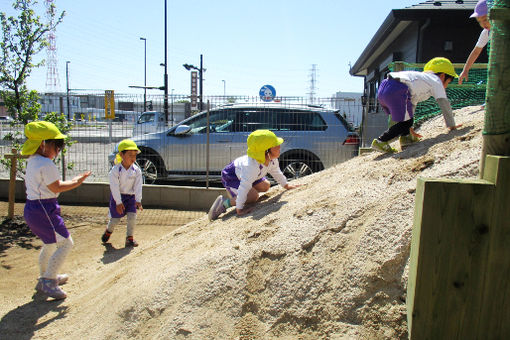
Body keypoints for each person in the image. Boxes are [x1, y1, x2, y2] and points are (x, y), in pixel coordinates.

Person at [22, 121, 91, 299]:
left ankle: (44, 277)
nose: (58, 150)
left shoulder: (33, 161)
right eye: (57, 146)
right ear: (44, 144)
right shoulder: (45, 164)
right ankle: (48, 281)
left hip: (32, 208)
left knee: (49, 244)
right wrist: (77, 181)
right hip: (44, 209)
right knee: (67, 243)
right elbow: (56, 187)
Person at [371, 57, 462, 153]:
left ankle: (406, 138)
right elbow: (444, 103)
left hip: (384, 87)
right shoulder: (436, 81)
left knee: (407, 120)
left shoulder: (421, 79)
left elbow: (411, 105)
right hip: (397, 88)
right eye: (448, 82)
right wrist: (452, 125)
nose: (446, 86)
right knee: (406, 122)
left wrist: (409, 129)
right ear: (443, 76)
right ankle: (381, 140)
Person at [208, 129, 300, 221]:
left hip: (248, 175)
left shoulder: (272, 160)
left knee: (266, 186)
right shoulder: (251, 167)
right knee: (253, 196)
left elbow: (276, 172)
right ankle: (224, 203)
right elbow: (244, 187)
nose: (279, 146)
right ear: (266, 151)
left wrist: (286, 185)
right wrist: (239, 209)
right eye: (275, 145)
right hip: (232, 176)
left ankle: (247, 195)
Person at [101, 139, 143, 247]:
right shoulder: (115, 170)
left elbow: (138, 186)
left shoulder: (136, 170)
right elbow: (114, 187)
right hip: (118, 198)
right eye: (130, 155)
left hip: (131, 198)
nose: (133, 158)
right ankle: (108, 231)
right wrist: (118, 202)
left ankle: (129, 238)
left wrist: (138, 200)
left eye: (135, 155)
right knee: (115, 219)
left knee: (132, 217)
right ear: (121, 154)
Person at [458, 0, 491, 85]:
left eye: (485, 19)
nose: (483, 24)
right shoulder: (486, 32)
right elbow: (476, 51)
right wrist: (465, 70)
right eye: (479, 21)